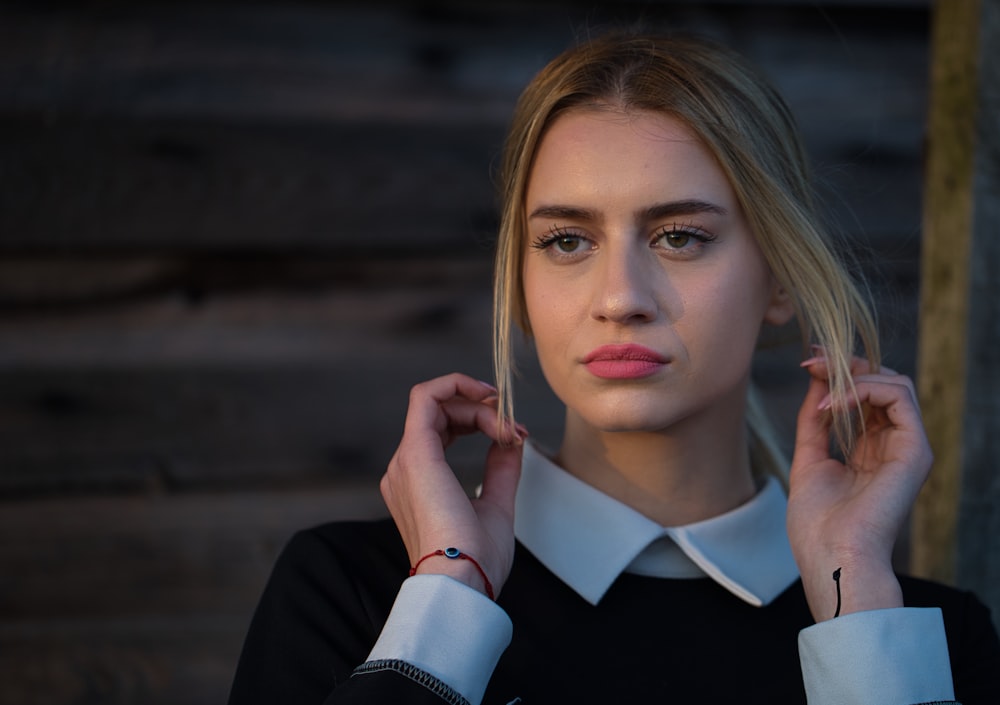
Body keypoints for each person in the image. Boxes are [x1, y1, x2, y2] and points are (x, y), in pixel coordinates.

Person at [227, 31, 1000, 705]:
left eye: (680, 237)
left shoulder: (925, 635)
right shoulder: (354, 592)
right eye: (568, 240)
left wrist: (859, 605)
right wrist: (448, 598)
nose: (621, 297)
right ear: (522, 285)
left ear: (781, 279)